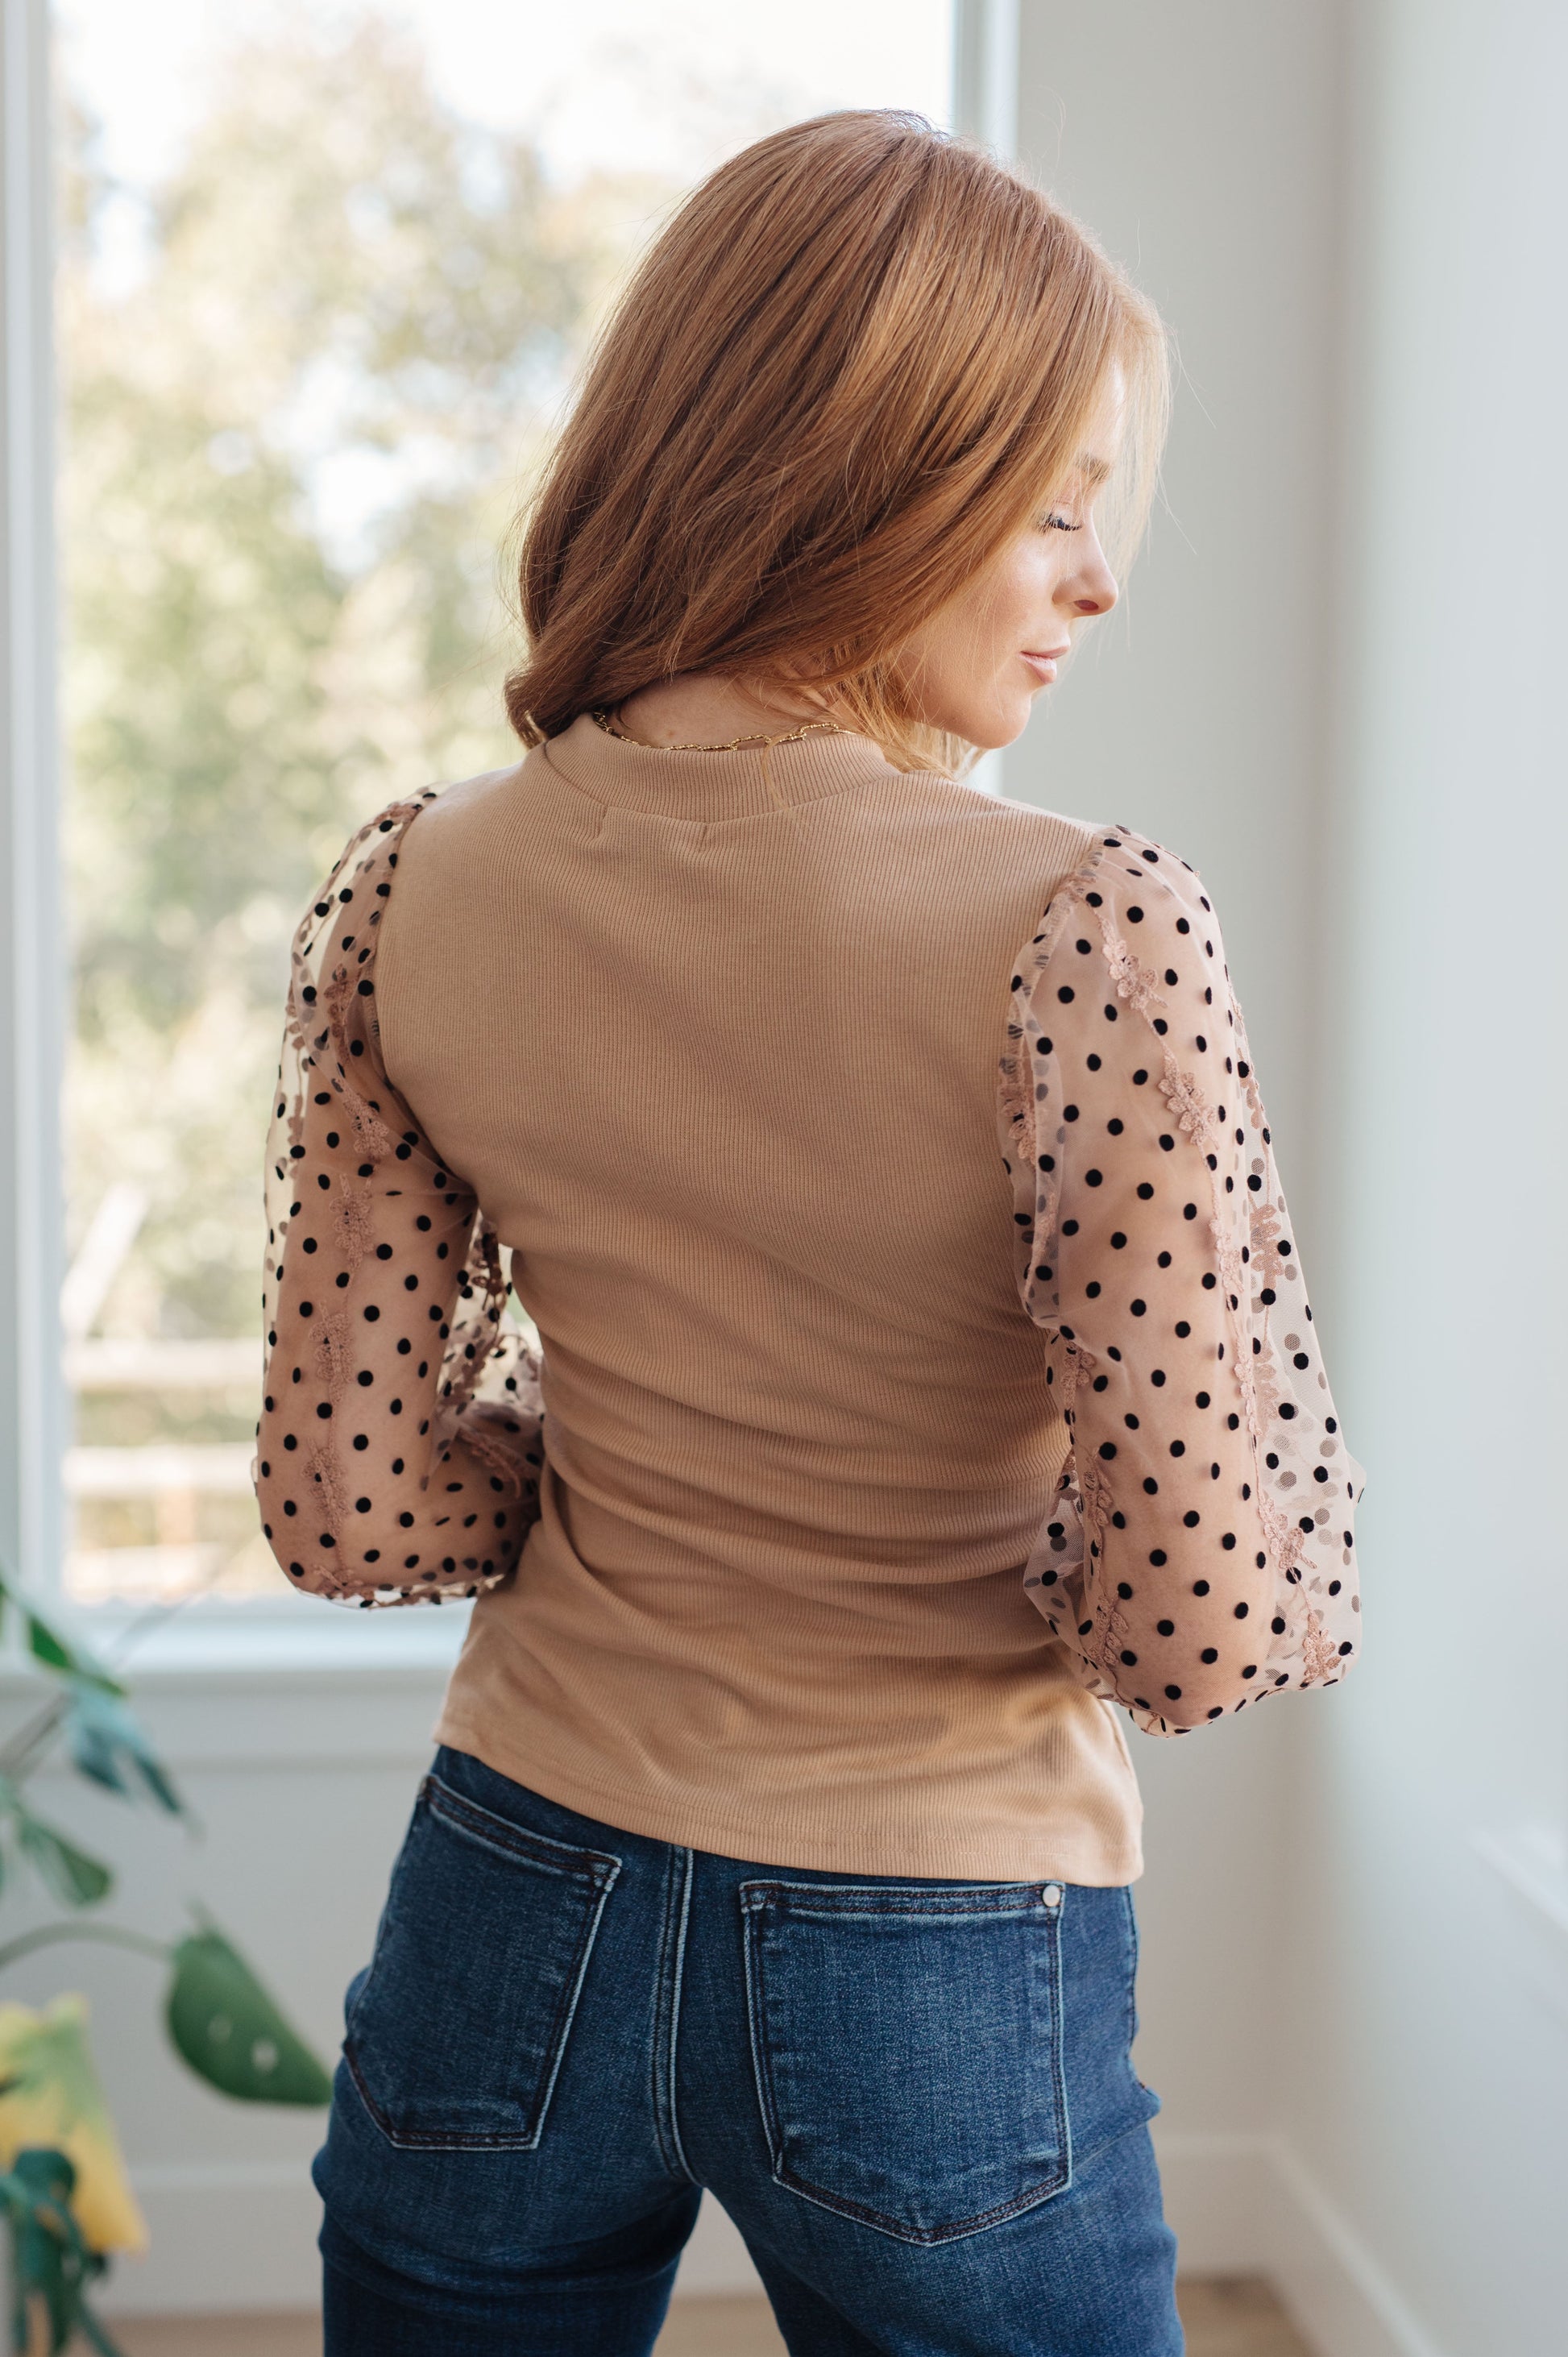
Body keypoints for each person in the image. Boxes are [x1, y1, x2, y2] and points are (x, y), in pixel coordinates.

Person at [253, 110, 1364, 2357]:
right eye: (1049, 504)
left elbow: (357, 1503)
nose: (1096, 575)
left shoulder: (411, 893)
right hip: (939, 1939)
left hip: (512, 1886)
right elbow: (1207, 1612)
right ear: (863, 473)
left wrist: (618, 1474)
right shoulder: (1084, 928)